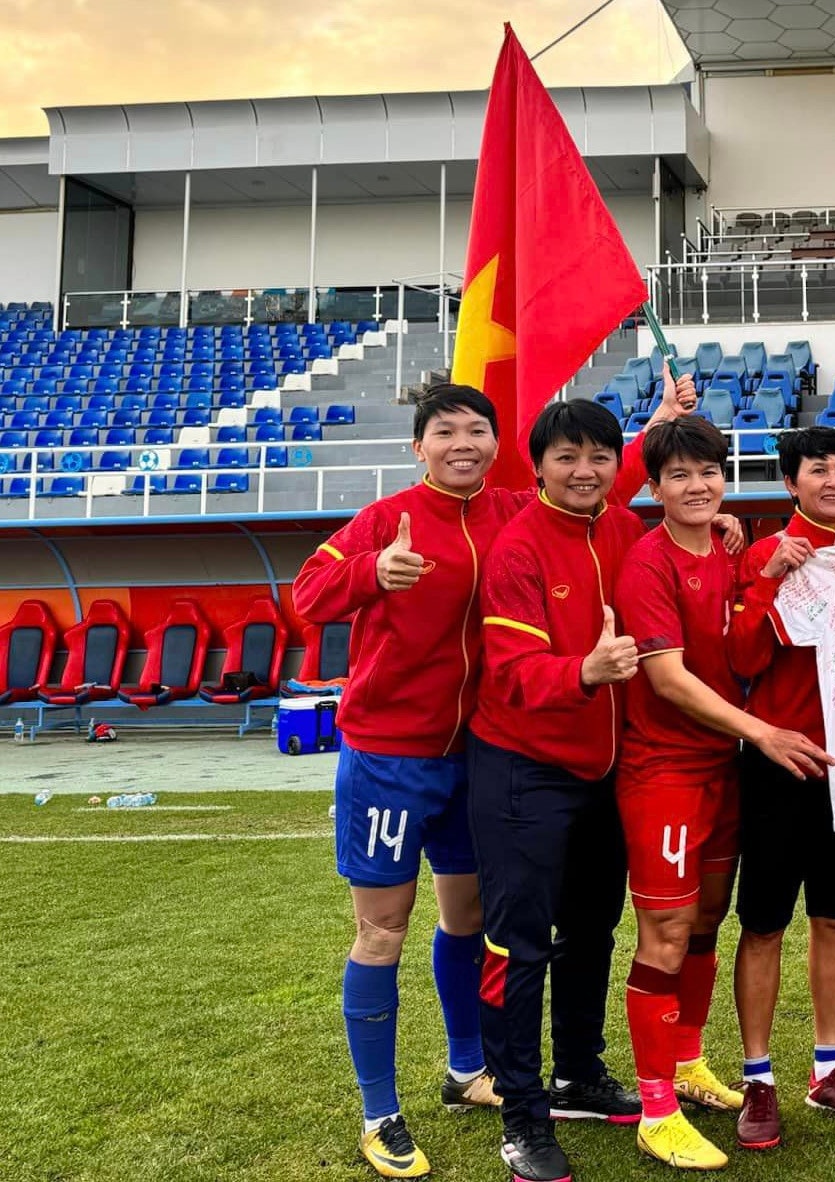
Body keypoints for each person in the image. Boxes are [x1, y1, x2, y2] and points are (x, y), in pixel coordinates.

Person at [292, 384, 528, 1179]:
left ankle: (465, 1071)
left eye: (477, 430)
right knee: (381, 932)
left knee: (467, 919)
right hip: (390, 758)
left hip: (477, 755)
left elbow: (593, 492)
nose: (463, 442)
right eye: (445, 431)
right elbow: (307, 594)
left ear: (495, 444)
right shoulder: (382, 519)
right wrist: (371, 571)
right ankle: (378, 1113)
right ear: (418, 447)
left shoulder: (511, 512)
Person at [614, 416, 834, 1172]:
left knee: (707, 920)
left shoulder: (731, 547)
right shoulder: (647, 563)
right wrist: (763, 732)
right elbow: (668, 679)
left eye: (707, 472)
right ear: (654, 488)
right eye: (678, 475)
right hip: (664, 771)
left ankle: (685, 1062)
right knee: (666, 933)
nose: (696, 485)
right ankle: (655, 1110)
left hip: (722, 768)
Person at [466, 399, 647, 1182]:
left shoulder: (625, 529)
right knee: (518, 943)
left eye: (599, 456)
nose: (584, 470)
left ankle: (577, 1073)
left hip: (604, 770)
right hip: (523, 767)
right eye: (566, 456)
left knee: (593, 928)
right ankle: (520, 1115)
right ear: (538, 466)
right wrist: (585, 671)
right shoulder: (518, 546)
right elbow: (510, 672)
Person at [726, 427, 835, 1151]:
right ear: (791, 483)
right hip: (779, 760)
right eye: (817, 469)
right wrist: (768, 579)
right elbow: (740, 659)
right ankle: (757, 1077)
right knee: (764, 923)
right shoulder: (768, 551)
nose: (833, 480)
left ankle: (828, 1067)